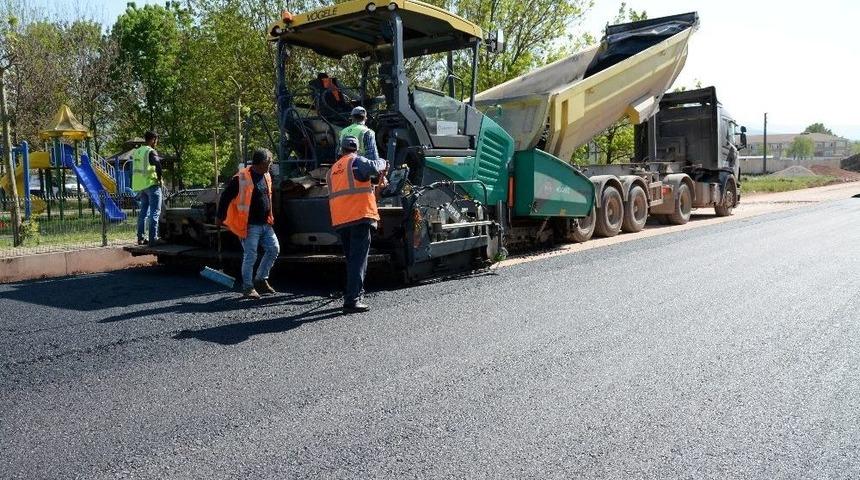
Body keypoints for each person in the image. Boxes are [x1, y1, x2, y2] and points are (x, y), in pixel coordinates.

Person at [327, 136, 388, 313]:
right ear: (356, 148)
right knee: (358, 260)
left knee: (352, 259)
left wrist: (375, 182)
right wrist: (383, 162)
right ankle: (352, 300)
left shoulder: (333, 170)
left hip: (341, 219)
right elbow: (374, 167)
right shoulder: (356, 161)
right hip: (359, 216)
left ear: (341, 149)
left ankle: (352, 294)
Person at [217, 148, 280, 299]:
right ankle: (248, 287)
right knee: (250, 255)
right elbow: (225, 196)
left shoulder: (266, 175)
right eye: (268, 163)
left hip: (265, 223)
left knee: (273, 249)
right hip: (249, 224)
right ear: (261, 163)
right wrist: (220, 216)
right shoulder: (241, 178)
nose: (270, 165)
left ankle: (261, 279)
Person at [132, 131, 163, 246]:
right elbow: (158, 165)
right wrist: (160, 179)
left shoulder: (137, 152)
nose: (156, 142)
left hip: (141, 186)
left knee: (143, 213)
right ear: (153, 139)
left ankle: (140, 238)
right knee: (155, 212)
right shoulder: (150, 151)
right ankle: (153, 239)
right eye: (156, 140)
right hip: (151, 184)